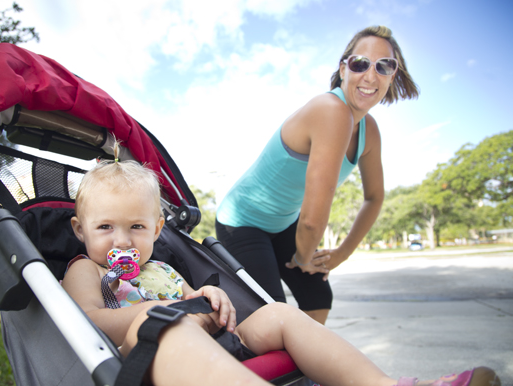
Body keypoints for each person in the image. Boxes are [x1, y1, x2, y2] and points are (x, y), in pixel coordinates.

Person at [61, 155, 500, 386]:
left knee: (281, 314)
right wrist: (165, 313)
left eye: (136, 226)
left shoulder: (160, 264)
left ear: (158, 228)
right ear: (81, 231)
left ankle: (381, 384)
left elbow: (197, 296)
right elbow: (90, 321)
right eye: (105, 228)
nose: (121, 241)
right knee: (168, 327)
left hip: (219, 338)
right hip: (146, 352)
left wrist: (208, 298)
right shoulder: (87, 269)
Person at [215, 25, 420, 324]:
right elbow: (312, 220)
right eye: (360, 63)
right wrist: (303, 257)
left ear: (393, 74)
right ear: (343, 68)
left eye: (384, 66)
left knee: (317, 297)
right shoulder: (331, 110)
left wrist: (341, 253)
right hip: (243, 222)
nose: (371, 76)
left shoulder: (369, 131)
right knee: (272, 315)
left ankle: (303, 369)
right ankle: (266, 367)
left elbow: (374, 198)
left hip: (283, 222)